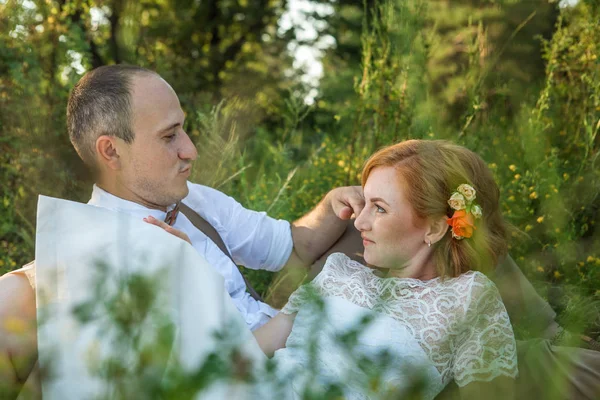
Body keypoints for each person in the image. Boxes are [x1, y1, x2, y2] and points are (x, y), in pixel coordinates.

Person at [0, 64, 364, 398]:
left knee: (373, 236)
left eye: (183, 129)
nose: (190, 149)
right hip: (251, 382)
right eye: (169, 136)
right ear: (111, 152)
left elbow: (295, 247)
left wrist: (334, 205)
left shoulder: (196, 201)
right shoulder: (88, 268)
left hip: (297, 345)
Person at [252, 140, 518, 399]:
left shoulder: (467, 297)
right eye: (364, 203)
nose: (360, 223)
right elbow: (246, 352)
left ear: (434, 228)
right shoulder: (338, 272)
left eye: (379, 208)